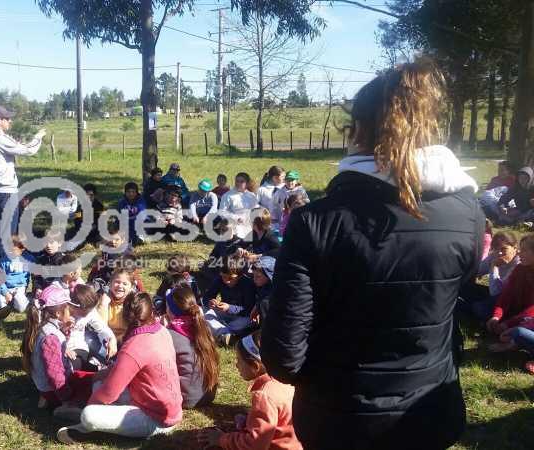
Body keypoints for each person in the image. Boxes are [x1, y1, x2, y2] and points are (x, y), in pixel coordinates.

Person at [261, 58, 482, 450]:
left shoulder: (314, 222)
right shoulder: (468, 213)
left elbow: (284, 358)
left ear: (358, 131)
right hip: (430, 413)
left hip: (339, 420)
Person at [57, 293, 183, 444]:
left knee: (89, 414)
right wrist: (98, 378)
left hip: (157, 420)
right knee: (99, 383)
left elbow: (109, 393)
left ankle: (85, 425)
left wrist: (90, 404)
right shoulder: (162, 331)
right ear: (151, 311)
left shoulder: (134, 347)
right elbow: (118, 372)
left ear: (124, 315)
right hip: (167, 406)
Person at [197, 330, 301, 450]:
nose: (236, 365)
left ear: (255, 366)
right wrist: (250, 421)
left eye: (239, 360)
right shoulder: (288, 381)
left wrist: (221, 439)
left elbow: (254, 445)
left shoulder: (264, 395)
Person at [0, 105, 46, 261]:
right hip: (6, 193)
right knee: (7, 235)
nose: (10, 121)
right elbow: (28, 150)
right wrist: (38, 137)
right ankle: (4, 268)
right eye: (7, 118)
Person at [21, 285, 93, 411]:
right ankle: (62, 409)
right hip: (56, 391)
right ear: (58, 313)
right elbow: (55, 374)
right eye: (68, 309)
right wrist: (67, 398)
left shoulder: (43, 326)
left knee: (94, 377)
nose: (71, 313)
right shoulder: (50, 338)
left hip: (50, 386)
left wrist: (65, 331)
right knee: (93, 388)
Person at [165, 285, 219, 408]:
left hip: (185, 398)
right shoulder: (203, 327)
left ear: (171, 309)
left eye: (167, 305)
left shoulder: (170, 334)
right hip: (208, 395)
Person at [461, 231, 519, 321]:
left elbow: (496, 292)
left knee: (478, 308)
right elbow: (476, 272)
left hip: (507, 303)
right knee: (464, 287)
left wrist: (494, 266)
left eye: (504, 249)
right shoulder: (494, 256)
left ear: (515, 248)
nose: (499, 253)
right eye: (496, 249)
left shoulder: (519, 265)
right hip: (494, 296)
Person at [486, 234, 534, 342]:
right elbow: (506, 294)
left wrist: (507, 324)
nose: (519, 253)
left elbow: (531, 311)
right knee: (481, 308)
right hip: (513, 312)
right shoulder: (520, 269)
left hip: (528, 319)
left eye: (524, 250)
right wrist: (496, 316)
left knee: (519, 332)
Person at [203, 254, 257, 345]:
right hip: (224, 313)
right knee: (202, 310)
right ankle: (226, 334)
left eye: (231, 278)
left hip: (240, 316)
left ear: (240, 276)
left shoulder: (248, 284)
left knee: (249, 321)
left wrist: (229, 308)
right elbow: (207, 297)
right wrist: (210, 302)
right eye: (223, 277)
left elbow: (249, 310)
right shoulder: (219, 280)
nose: (226, 281)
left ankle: (219, 331)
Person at [66, 284, 118, 371]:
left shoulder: (89, 311)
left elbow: (102, 327)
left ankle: (98, 366)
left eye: (90, 311)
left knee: (76, 364)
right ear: (74, 306)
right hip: (63, 348)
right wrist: (64, 348)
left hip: (78, 347)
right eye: (85, 312)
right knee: (67, 367)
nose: (88, 314)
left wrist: (112, 339)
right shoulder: (62, 312)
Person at [97, 269, 137, 342]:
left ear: (131, 287)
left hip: (127, 339)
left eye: (125, 284)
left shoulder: (134, 302)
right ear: (110, 284)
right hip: (107, 338)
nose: (120, 286)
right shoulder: (104, 300)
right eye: (117, 282)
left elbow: (135, 328)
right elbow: (101, 327)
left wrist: (120, 339)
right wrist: (103, 305)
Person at [0, 234, 34, 314]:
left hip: (19, 287)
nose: (9, 251)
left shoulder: (28, 259)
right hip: (7, 288)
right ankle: (11, 301)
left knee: (21, 308)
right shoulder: (4, 261)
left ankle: (26, 298)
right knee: (1, 305)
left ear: (22, 248)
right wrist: (5, 292)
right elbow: (0, 278)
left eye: (12, 250)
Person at [218, 172, 259, 239]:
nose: (238, 183)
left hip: (249, 227)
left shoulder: (251, 195)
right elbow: (221, 212)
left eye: (242, 182)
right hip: (234, 228)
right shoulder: (227, 195)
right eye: (237, 181)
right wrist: (236, 218)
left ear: (247, 183)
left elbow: (256, 210)